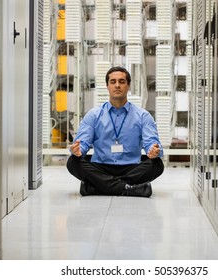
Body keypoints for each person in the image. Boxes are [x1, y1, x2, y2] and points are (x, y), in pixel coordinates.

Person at [66, 66, 164, 197]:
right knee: (73, 162)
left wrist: (154, 150)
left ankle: (97, 187)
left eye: (122, 82)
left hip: (131, 167)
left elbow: (152, 144)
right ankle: (129, 188)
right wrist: (78, 150)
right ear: (107, 86)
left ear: (128, 86)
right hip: (101, 166)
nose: (117, 85)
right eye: (113, 82)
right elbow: (82, 143)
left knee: (156, 164)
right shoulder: (94, 115)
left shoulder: (143, 116)